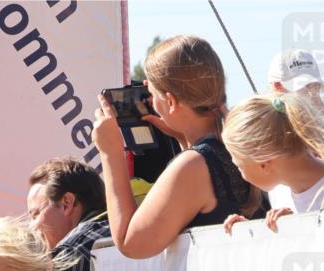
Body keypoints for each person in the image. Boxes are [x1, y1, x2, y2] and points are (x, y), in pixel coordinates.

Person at [93, 35, 261, 259]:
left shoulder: (193, 165)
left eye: (152, 95)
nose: (151, 101)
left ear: (171, 102)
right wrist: (183, 138)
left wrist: (111, 153)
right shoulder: (237, 143)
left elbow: (130, 243)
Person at [222, 92, 324, 233]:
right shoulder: (279, 192)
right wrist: (250, 232)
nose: (242, 175)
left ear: (263, 164)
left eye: (239, 167)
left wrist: (297, 226)